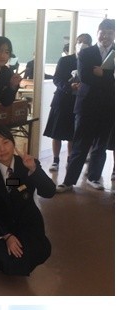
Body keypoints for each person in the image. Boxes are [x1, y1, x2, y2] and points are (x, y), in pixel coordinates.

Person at [0, 124, 54, 276]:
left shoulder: (27, 164)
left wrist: (34, 169)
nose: (2, 149)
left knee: (40, 251)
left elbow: (49, 192)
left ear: (13, 142)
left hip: (27, 223)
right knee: (6, 260)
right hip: (0, 226)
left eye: (6, 142)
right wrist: (7, 236)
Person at [56, 19, 115, 193]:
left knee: (100, 146)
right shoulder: (86, 52)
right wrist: (110, 76)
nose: (106, 36)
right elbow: (85, 77)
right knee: (80, 144)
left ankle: (93, 177)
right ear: (97, 33)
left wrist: (102, 73)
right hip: (86, 106)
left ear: (115, 34)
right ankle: (68, 181)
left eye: (110, 33)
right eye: (103, 32)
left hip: (109, 107)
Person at [43, 34, 93, 172]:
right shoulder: (65, 60)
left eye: (86, 42)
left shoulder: (91, 62)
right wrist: (69, 87)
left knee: (72, 135)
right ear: (75, 44)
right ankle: (55, 160)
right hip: (62, 101)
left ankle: (70, 160)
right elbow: (56, 79)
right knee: (56, 133)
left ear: (90, 46)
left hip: (79, 103)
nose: (82, 44)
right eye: (80, 41)